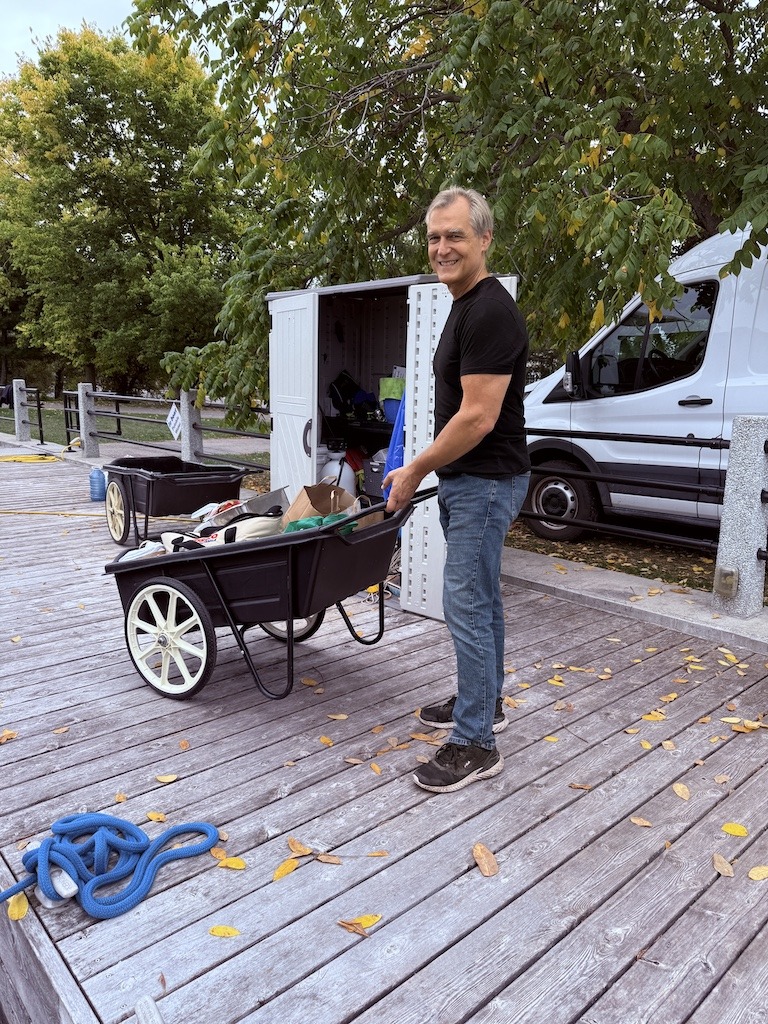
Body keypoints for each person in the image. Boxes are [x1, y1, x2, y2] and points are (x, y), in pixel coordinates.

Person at [383, 186, 530, 794]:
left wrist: (414, 469)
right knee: (482, 600)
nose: (442, 248)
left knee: (465, 602)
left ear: (485, 239)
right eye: (434, 237)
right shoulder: (465, 303)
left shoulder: (490, 310)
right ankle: (483, 703)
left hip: (486, 483)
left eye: (455, 236)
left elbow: (477, 417)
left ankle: (476, 743)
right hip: (474, 480)